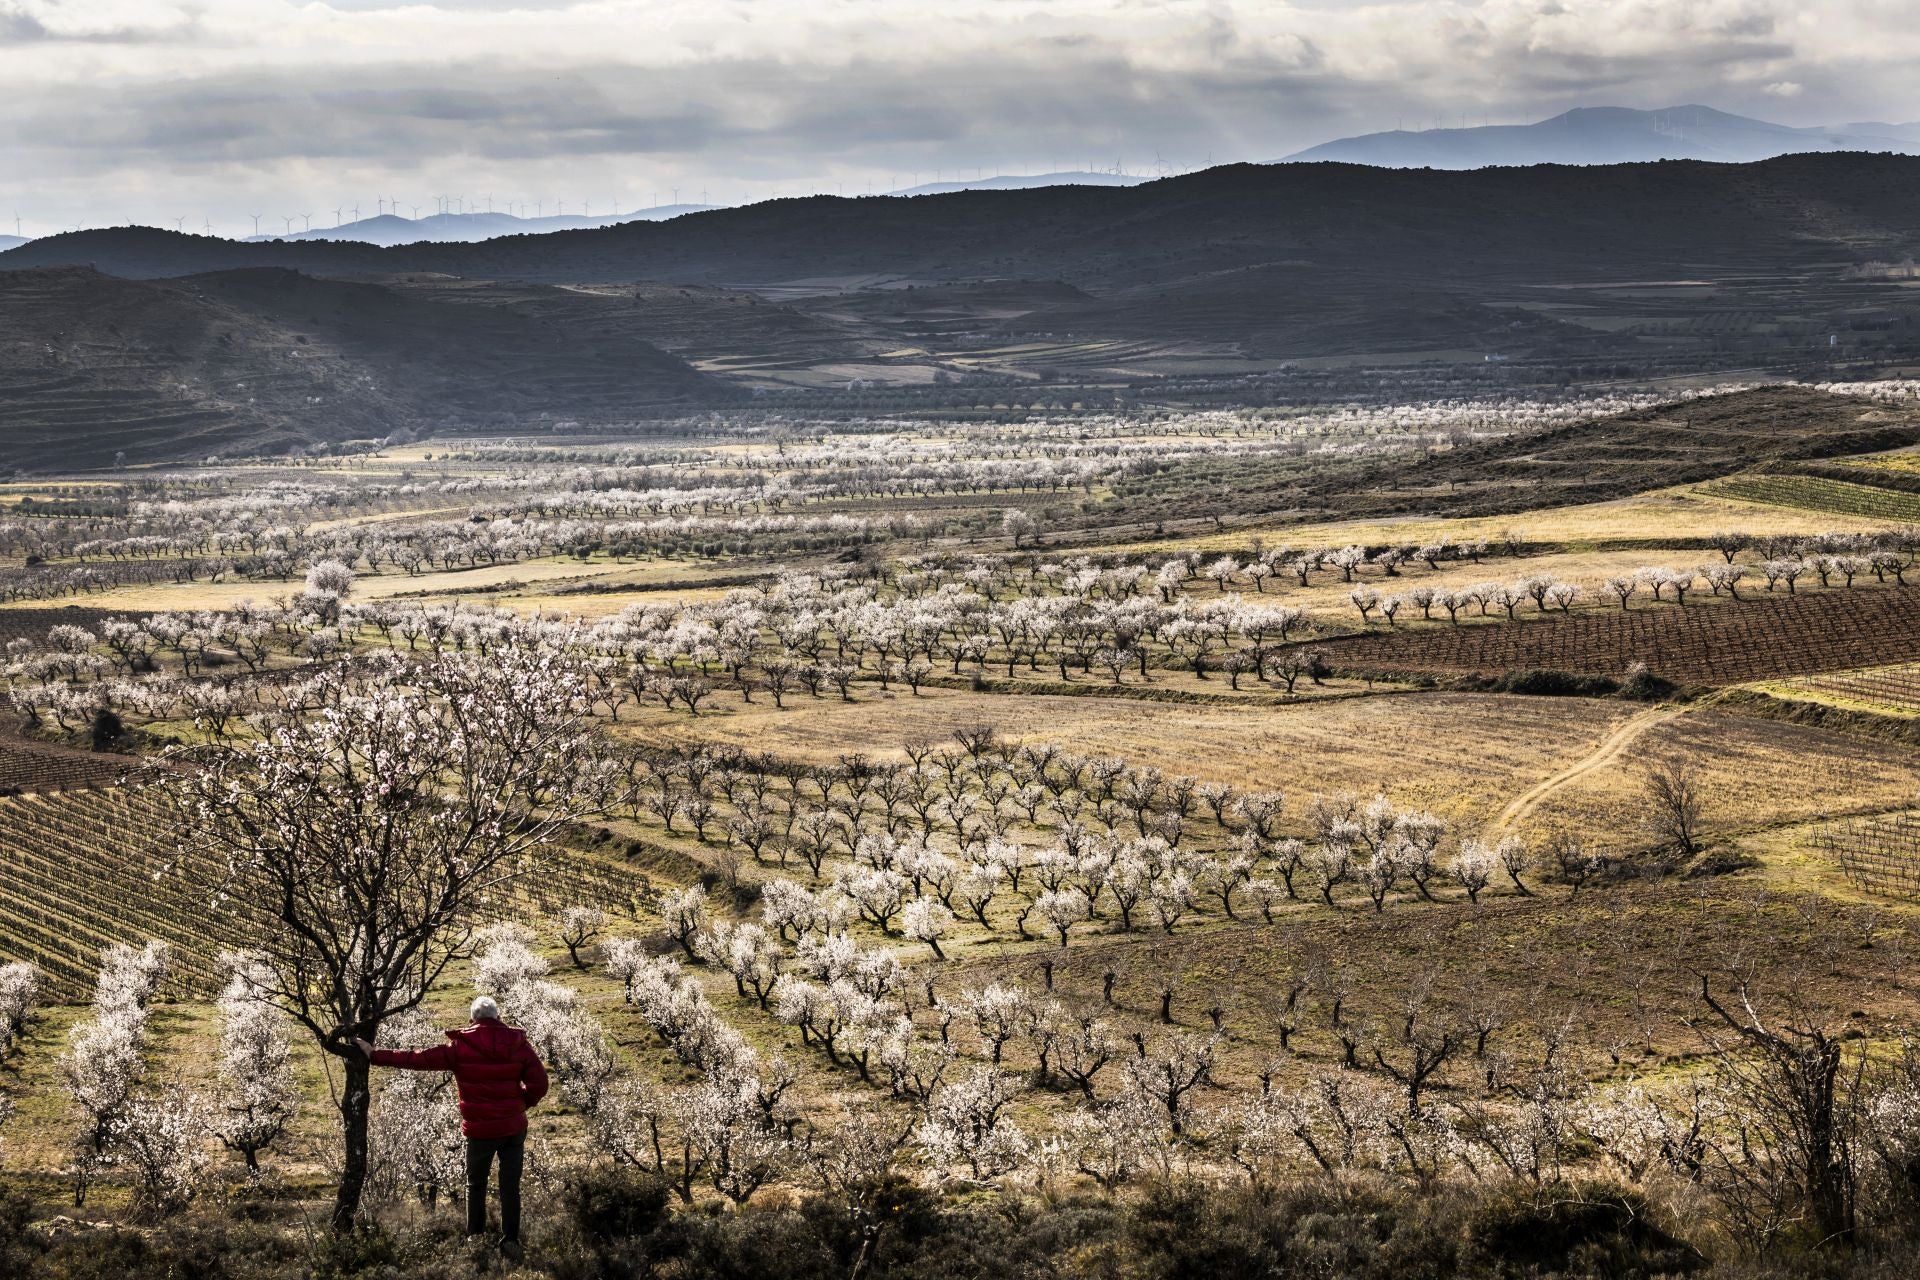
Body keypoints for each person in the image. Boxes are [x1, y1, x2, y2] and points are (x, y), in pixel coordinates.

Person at [355, 996, 549, 1255]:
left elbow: (417, 1058)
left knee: (475, 1184)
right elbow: (541, 1083)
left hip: (480, 1131)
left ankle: (475, 1240)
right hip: (513, 1127)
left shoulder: (460, 1047)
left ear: (473, 1020)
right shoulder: (518, 1044)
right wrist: (520, 1104)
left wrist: (374, 1055)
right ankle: (510, 1240)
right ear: (498, 1018)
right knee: (510, 1186)